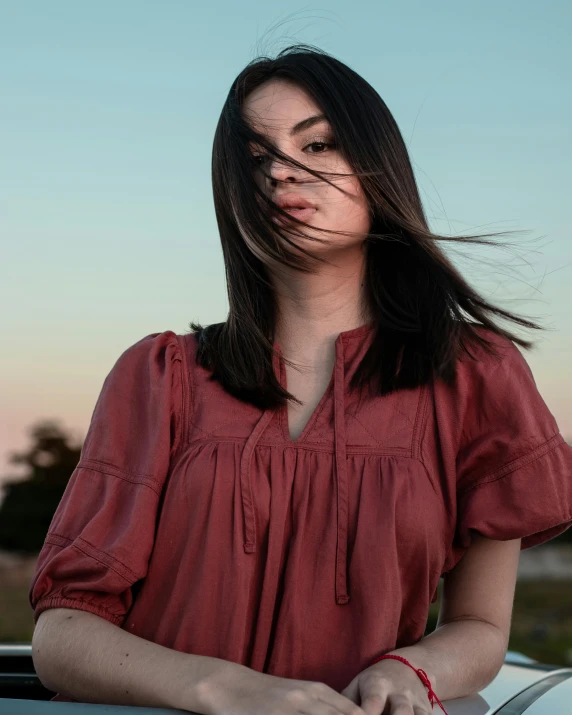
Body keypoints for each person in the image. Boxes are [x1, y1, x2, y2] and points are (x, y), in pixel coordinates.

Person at [29, 44, 572, 715]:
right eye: (256, 159)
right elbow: (62, 634)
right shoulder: (159, 376)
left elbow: (484, 630)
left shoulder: (476, 377)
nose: (283, 174)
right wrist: (225, 689)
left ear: (380, 168)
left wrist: (412, 668)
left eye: (317, 146)